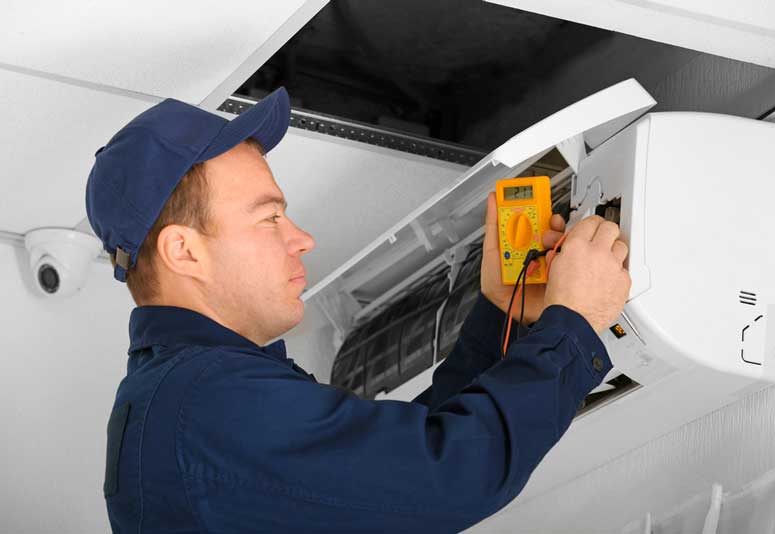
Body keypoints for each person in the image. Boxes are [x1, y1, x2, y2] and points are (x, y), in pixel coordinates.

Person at [86, 87, 631, 533]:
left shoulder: (188, 395)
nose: (302, 239)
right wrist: (573, 323)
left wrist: (499, 313)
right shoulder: (207, 400)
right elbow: (447, 476)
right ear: (185, 251)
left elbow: (412, 456)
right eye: (269, 218)